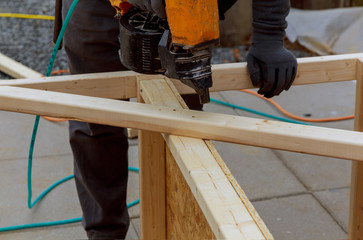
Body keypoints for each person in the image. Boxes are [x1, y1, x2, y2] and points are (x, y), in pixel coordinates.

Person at [62, 0, 296, 239]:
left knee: (183, 125)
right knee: (96, 120)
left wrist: (269, 36)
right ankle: (105, 232)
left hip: (186, 11)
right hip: (95, 5)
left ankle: (178, 225)